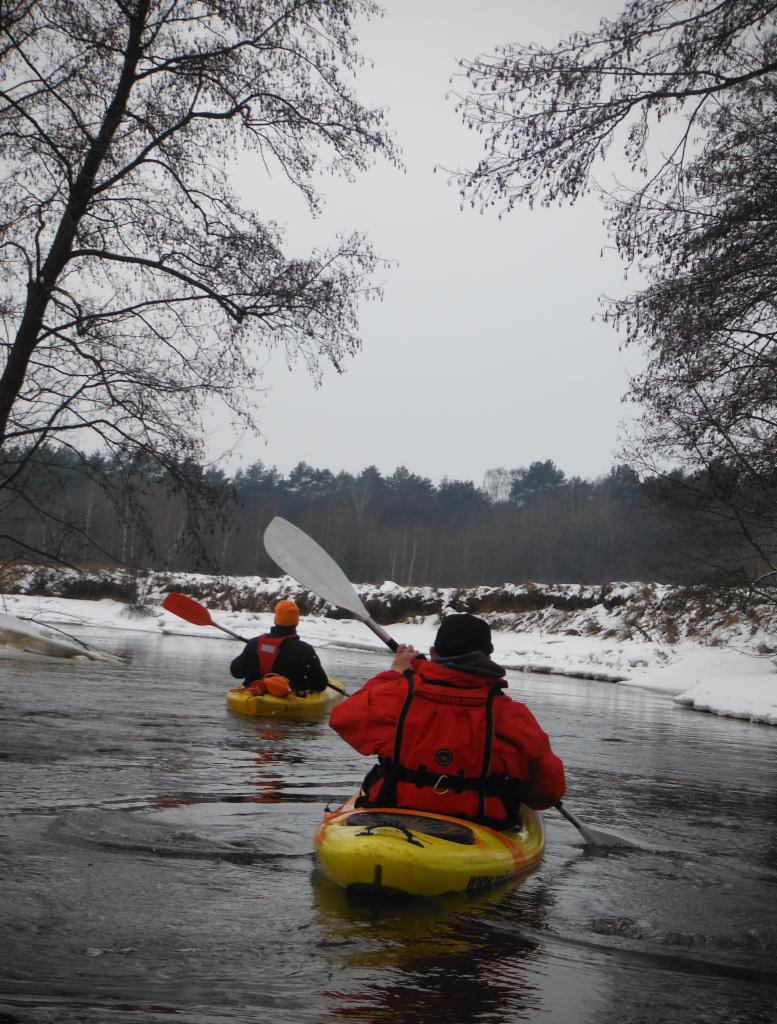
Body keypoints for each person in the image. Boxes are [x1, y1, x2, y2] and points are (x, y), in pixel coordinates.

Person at [329, 613, 565, 829]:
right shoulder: (510, 715)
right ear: (487, 658)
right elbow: (547, 791)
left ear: (432, 653)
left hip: (390, 813)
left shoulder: (397, 694)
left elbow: (342, 718)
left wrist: (395, 674)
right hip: (480, 825)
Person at [230, 599, 328, 695]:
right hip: (289, 699)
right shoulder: (305, 650)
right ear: (296, 622)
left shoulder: (255, 643)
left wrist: (251, 650)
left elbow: (236, 672)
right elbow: (319, 684)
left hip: (253, 693)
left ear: (276, 620)